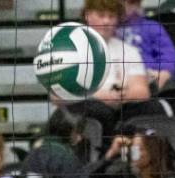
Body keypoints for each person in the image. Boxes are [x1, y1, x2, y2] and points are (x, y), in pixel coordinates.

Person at [65, 0, 152, 138]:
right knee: (99, 111)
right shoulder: (70, 49)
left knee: (152, 107)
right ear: (87, 16)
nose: (106, 21)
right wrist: (98, 96)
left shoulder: (129, 51)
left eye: (111, 16)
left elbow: (142, 91)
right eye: (101, 15)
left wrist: (119, 96)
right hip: (83, 107)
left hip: (121, 107)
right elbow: (58, 93)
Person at [119, 0, 175, 90]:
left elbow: (168, 57)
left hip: (148, 77)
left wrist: (163, 74)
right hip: (115, 77)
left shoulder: (152, 27)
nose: (125, 6)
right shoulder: (107, 27)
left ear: (138, 4)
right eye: (120, 2)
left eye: (131, 2)